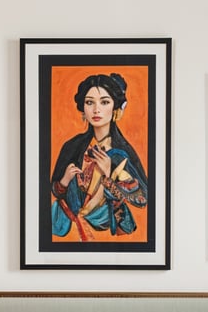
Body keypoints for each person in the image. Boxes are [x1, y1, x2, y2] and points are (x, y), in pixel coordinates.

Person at [50, 73, 148, 241]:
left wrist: (110, 174)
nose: (96, 109)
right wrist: (64, 181)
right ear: (83, 108)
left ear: (115, 108)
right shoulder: (72, 146)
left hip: (108, 232)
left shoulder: (122, 152)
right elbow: (54, 190)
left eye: (104, 102)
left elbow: (143, 199)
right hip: (69, 230)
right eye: (90, 102)